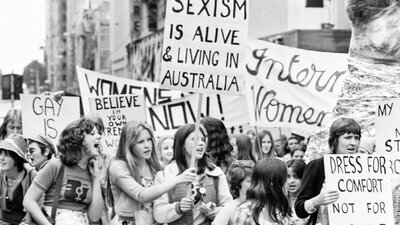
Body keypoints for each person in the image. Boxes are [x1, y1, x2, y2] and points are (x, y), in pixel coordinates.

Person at [107, 121, 196, 225]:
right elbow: (142, 195)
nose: (147, 145)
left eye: (149, 140)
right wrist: (176, 180)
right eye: (140, 142)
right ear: (129, 144)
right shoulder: (118, 167)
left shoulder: (156, 166)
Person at [23, 117, 104, 225]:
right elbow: (29, 200)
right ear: (80, 139)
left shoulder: (93, 171)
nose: (99, 136)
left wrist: (96, 178)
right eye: (93, 134)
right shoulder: (56, 165)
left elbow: (94, 217)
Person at [153, 123, 233, 225]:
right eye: (195, 139)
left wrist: (218, 211)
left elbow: (228, 205)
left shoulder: (215, 172)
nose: (201, 143)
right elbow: (158, 214)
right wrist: (178, 208)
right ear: (182, 145)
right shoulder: (165, 175)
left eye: (203, 139)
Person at [295, 117, 361, 225]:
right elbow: (300, 210)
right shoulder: (317, 166)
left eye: (356, 138)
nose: (353, 142)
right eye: (348, 137)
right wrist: (317, 201)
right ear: (335, 140)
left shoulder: (364, 168)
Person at [230, 157, 291, 225]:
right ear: (273, 182)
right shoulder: (246, 213)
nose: (289, 182)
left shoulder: (280, 210)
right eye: (287, 177)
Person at [0, 134, 36, 225]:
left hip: (27, 221)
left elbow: (37, 206)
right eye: (0, 153)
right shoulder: (0, 174)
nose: (1, 158)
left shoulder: (32, 176)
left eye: (7, 155)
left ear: (17, 158)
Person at [212, 160, 255, 225]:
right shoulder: (230, 208)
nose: (254, 184)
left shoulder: (261, 206)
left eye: (256, 180)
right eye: (249, 181)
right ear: (237, 184)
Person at [286, 159, 308, 225]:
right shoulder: (278, 200)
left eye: (296, 177)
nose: (291, 181)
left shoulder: (310, 201)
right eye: (288, 177)